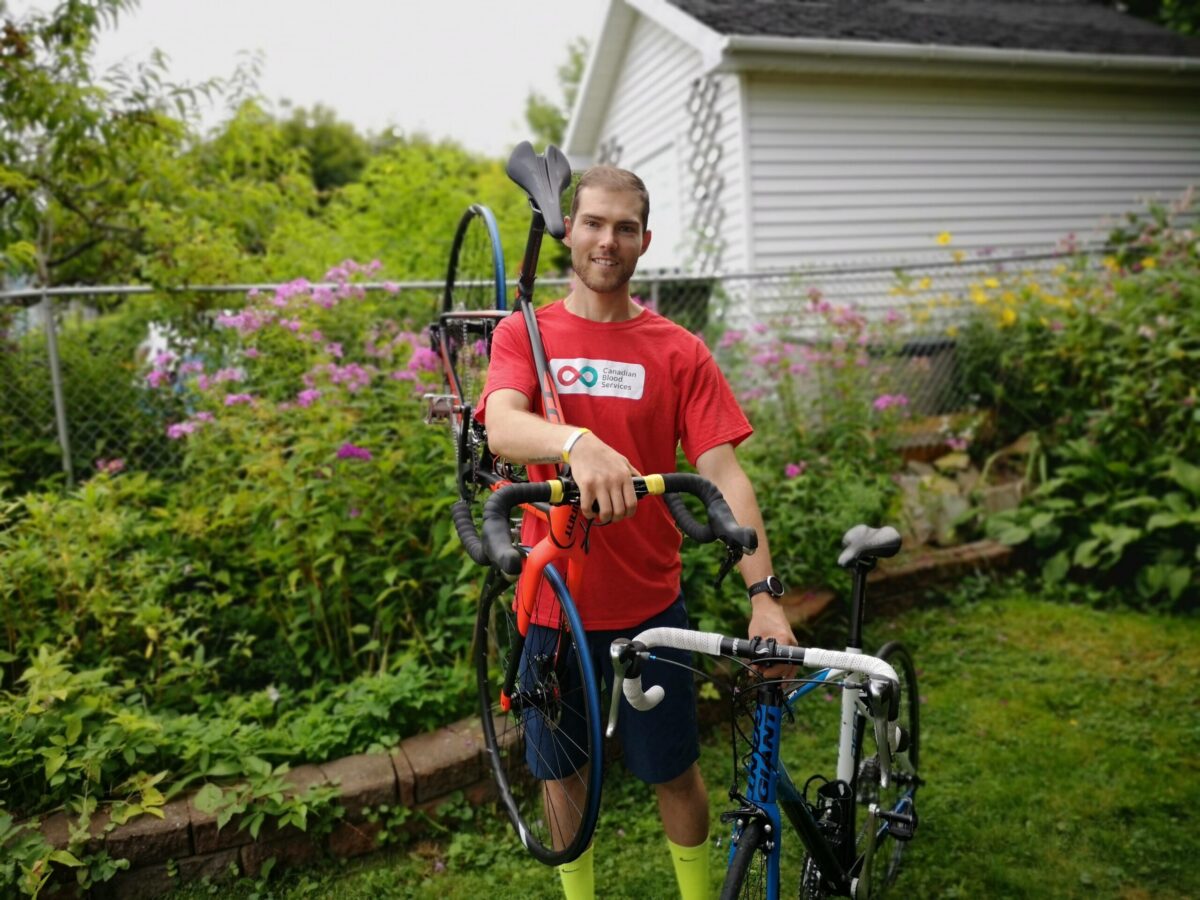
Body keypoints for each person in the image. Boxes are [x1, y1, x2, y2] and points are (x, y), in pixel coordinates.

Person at [478, 165, 797, 900]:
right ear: (568, 231)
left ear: (644, 241)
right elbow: (501, 424)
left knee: (674, 772)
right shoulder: (525, 333)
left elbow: (727, 475)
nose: (607, 240)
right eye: (593, 222)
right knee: (563, 773)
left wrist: (766, 597)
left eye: (625, 228)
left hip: (653, 612)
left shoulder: (678, 349)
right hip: (552, 608)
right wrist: (576, 442)